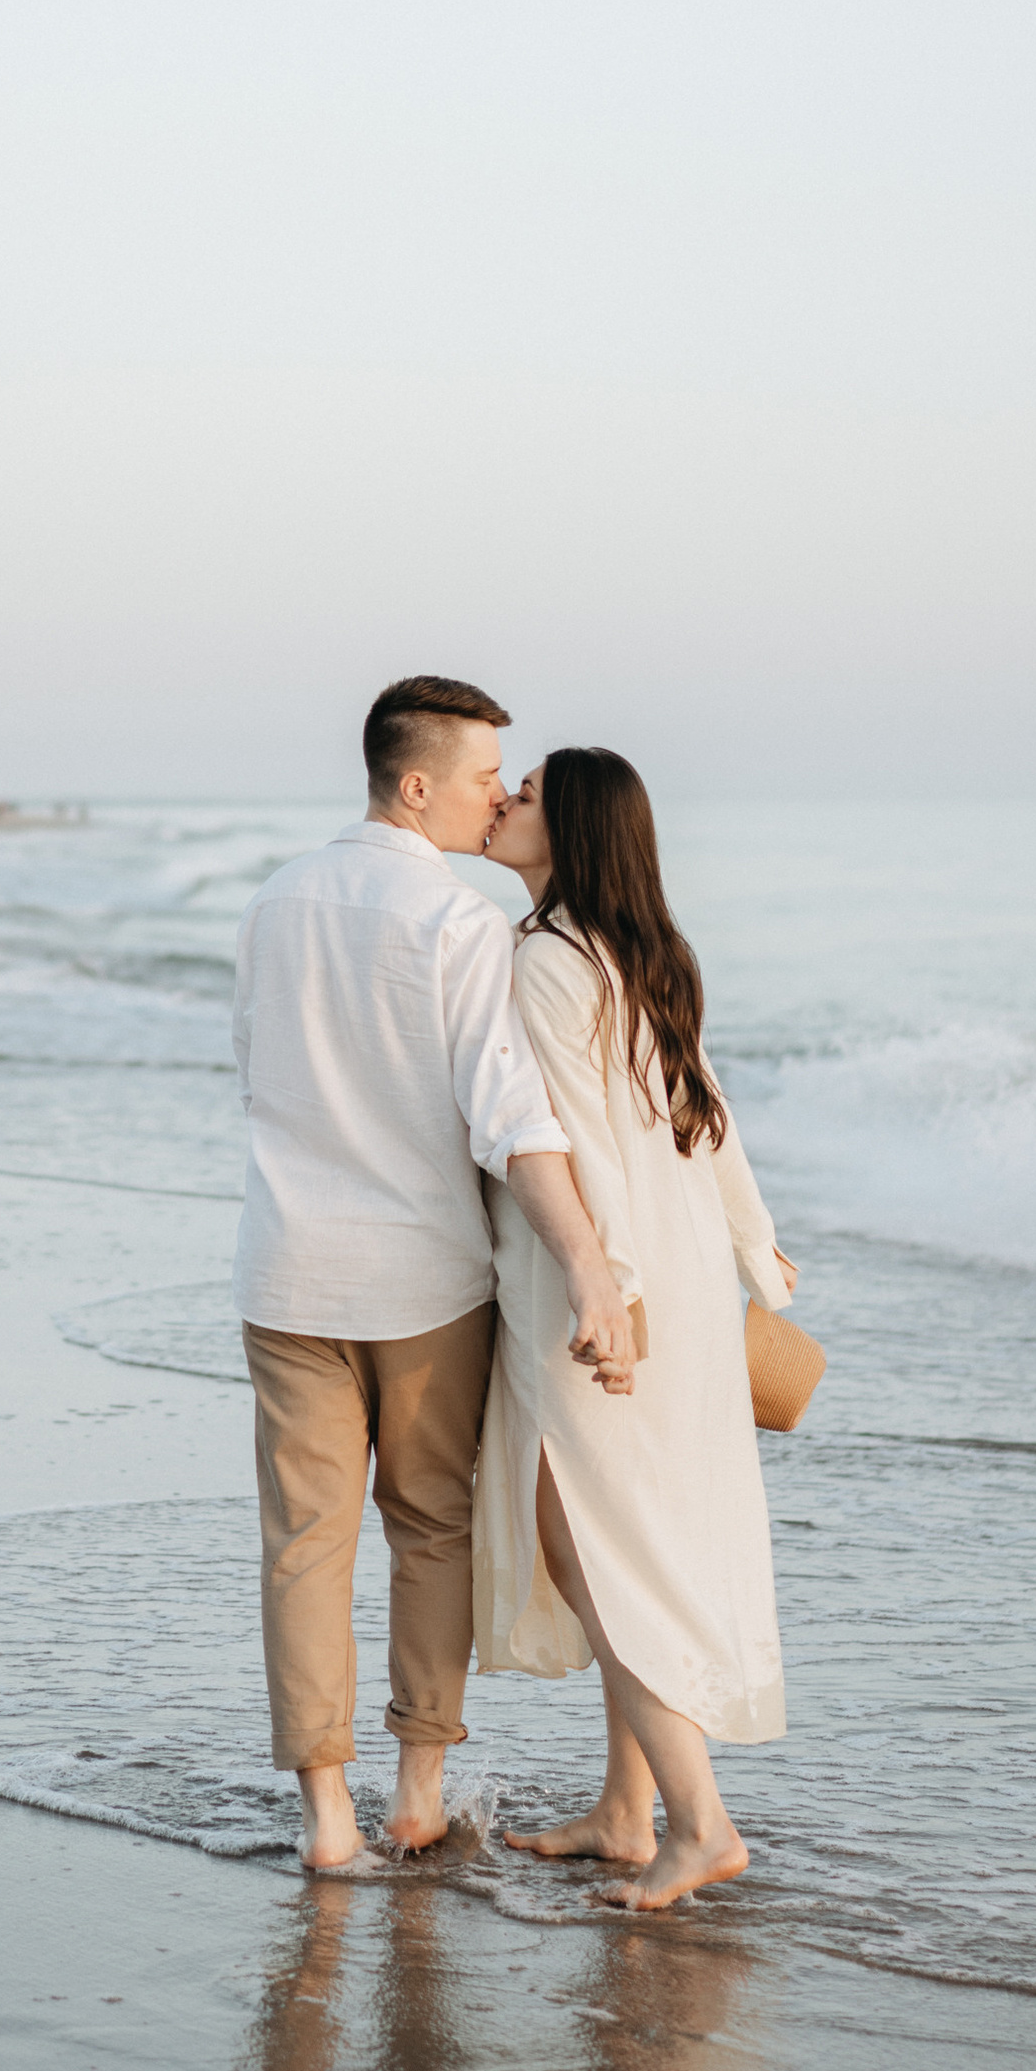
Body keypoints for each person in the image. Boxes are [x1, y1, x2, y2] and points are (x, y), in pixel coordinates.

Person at [233, 676, 637, 1874]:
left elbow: (255, 1070)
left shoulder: (271, 900)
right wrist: (591, 1267)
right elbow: (510, 1119)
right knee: (430, 1528)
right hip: (424, 1283)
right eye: (478, 777)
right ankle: (416, 1791)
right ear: (415, 784)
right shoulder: (457, 925)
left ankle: (325, 1818)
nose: (495, 796)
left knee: (303, 1541)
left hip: (287, 1270)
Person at [472, 746, 794, 1912]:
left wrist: (603, 1288)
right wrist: (751, 1244)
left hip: (605, 1288)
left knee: (596, 1548)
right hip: (680, 1278)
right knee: (632, 1530)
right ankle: (625, 1809)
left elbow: (577, 1142)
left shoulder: (544, 961)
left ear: (572, 832)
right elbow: (709, 1116)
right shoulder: (642, 950)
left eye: (524, 796)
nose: (501, 803)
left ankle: (699, 1823)